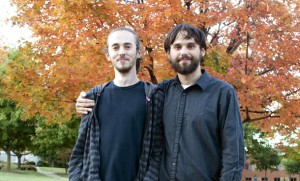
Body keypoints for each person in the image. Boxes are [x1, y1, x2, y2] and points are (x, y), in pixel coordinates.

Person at [75, 24, 245, 180]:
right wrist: (82, 101)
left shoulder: (223, 93)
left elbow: (233, 156)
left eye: (190, 46)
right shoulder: (160, 93)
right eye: (177, 47)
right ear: (168, 54)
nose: (183, 52)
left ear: (202, 51)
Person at [68, 27, 164, 181]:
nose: (121, 52)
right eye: (115, 47)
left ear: (139, 52)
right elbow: (80, 148)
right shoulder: (93, 96)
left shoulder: (154, 97)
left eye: (127, 46)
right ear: (108, 55)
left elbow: (157, 150)